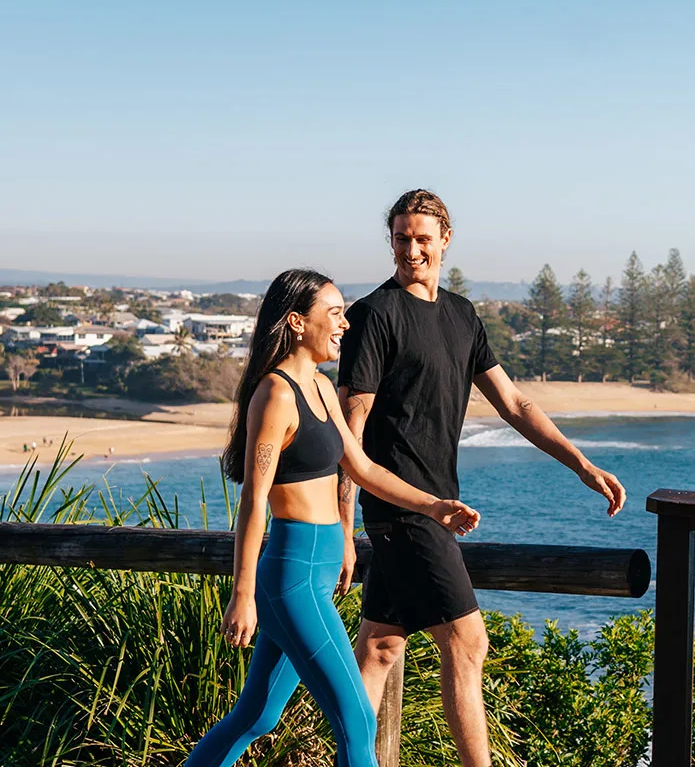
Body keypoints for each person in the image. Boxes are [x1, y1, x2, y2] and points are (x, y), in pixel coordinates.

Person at [337, 190, 626, 767]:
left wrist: (582, 464)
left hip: (436, 504)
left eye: (423, 238)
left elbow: (515, 404)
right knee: (469, 643)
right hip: (401, 508)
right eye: (401, 238)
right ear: (390, 242)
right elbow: (353, 428)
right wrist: (346, 527)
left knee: (380, 647)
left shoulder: (461, 316)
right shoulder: (375, 314)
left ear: (446, 239)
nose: (412, 250)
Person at [185, 268, 480, 767]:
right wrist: (243, 594)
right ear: (298, 322)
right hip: (291, 574)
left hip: (318, 572)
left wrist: (432, 506)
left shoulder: (321, 387)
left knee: (256, 716)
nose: (345, 324)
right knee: (358, 720)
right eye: (335, 313)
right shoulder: (276, 396)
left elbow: (362, 468)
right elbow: (254, 503)